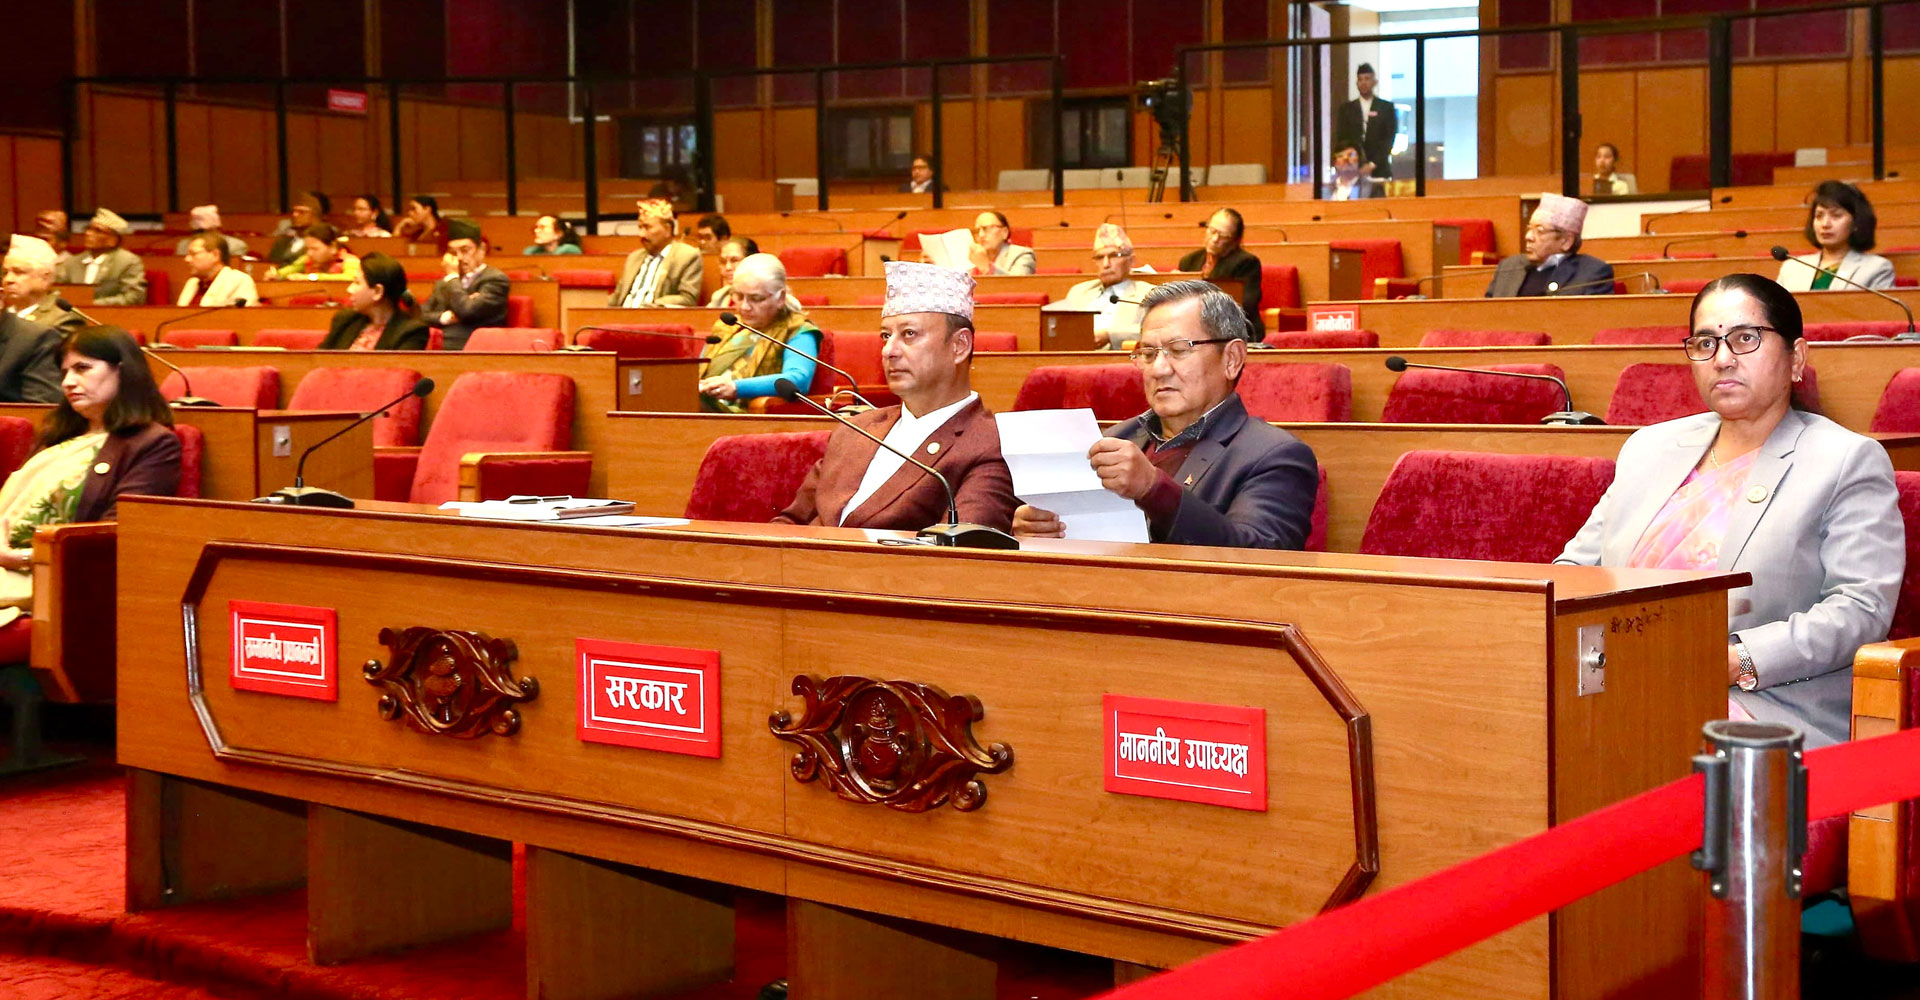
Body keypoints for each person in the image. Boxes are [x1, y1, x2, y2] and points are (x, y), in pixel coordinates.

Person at [1556, 274, 1902, 748]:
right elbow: (1574, 572)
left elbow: (1861, 608)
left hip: (1762, 703)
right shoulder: (1649, 447)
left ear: (1796, 358)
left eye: (1745, 338)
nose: (1722, 358)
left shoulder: (1844, 460)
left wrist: (1734, 660)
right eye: (1705, 343)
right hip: (1613, 677)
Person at [1013, 280, 1317, 549]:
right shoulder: (1112, 440)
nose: (1158, 369)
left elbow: (1262, 559)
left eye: (1179, 350)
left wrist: (1153, 489)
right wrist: (1036, 533)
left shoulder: (1274, 456)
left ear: (1232, 359)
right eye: (1148, 354)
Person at [776, 260, 1017, 531]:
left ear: (959, 346)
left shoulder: (992, 444)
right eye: (885, 335)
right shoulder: (856, 429)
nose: (888, 350)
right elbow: (789, 525)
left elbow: (958, 548)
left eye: (909, 334)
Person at [0, 325, 179, 617]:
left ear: (123, 370)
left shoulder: (152, 444)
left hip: (57, 581)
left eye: (82, 368)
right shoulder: (57, 436)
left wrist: (23, 557)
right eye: (64, 372)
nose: (68, 382)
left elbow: (118, 536)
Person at [697, 254, 819, 414]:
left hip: (746, 418)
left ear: (780, 297)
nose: (745, 307)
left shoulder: (797, 330)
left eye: (756, 299)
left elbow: (797, 380)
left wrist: (736, 387)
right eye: (739, 296)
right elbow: (698, 372)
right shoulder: (727, 326)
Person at [1485, 193, 1614, 297]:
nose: (1528, 237)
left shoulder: (1592, 273)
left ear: (1566, 241)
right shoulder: (1509, 266)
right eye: (1529, 229)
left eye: (1539, 231)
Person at [1775, 180, 1895, 292]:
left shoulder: (1876, 268)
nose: (1825, 224)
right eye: (1819, 216)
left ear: (1856, 223)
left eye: (1836, 215)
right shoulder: (1791, 267)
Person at [1055, 224, 1151, 349]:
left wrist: (1110, 335)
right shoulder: (1079, 291)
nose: (1106, 264)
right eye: (1100, 257)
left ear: (1131, 261)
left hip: (1118, 357)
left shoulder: (1147, 293)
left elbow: (1154, 331)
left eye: (1114, 256)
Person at [1177, 208, 1263, 341]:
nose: (1215, 239)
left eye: (1223, 236)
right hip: (1193, 332)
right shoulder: (1189, 261)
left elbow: (1246, 304)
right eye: (1212, 231)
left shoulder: (1246, 262)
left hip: (1234, 333)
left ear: (1235, 240)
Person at [423, 219, 509, 350]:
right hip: (437, 344)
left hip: (473, 347)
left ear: (481, 249)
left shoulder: (495, 279)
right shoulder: (444, 283)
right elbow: (421, 315)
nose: (459, 258)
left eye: (465, 250)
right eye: (453, 252)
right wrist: (444, 317)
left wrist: (453, 277)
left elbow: (467, 311)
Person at [320, 253, 432, 351]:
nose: (349, 289)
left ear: (378, 291)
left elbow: (398, 369)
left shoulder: (411, 332)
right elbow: (318, 360)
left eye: (357, 283)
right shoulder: (345, 319)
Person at [611, 199, 703, 307]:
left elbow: (688, 298)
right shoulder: (634, 258)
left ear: (667, 229)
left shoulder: (686, 256)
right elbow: (616, 298)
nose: (641, 234)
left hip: (656, 315)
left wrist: (651, 306)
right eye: (640, 227)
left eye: (647, 227)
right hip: (622, 315)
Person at [53, 209, 146, 306]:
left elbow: (134, 297)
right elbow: (55, 292)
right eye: (88, 229)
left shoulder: (128, 261)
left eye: (98, 231)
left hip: (110, 313)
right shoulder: (72, 262)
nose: (88, 233)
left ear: (113, 239)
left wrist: (91, 304)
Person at [3, 237, 84, 339]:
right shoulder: (4, 312)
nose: (8, 279)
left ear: (44, 277)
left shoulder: (63, 319)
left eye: (19, 272)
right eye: (5, 273)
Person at [1334, 62, 1396, 180]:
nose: (1363, 83)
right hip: (1352, 170)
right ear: (1356, 83)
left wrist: (1372, 164)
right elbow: (1342, 139)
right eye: (1360, 79)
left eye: (1367, 79)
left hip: (1380, 169)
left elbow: (1388, 140)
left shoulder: (1386, 108)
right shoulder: (1346, 109)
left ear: (1375, 82)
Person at [175, 232, 259, 308]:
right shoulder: (192, 283)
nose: (187, 259)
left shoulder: (238, 281)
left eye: (193, 254)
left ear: (215, 255)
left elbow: (241, 317)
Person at [271, 223, 361, 281]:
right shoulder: (306, 259)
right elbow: (287, 271)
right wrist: (275, 274)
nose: (309, 253)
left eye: (315, 249)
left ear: (333, 247)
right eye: (307, 249)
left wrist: (312, 277)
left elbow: (350, 277)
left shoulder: (350, 261)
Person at [968, 212, 1036, 276]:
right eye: (976, 231)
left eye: (987, 229)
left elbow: (1018, 283)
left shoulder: (1022, 254)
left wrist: (987, 268)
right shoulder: (973, 258)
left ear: (1005, 232)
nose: (981, 235)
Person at [268, 192, 327, 266]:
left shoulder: (323, 243)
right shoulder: (282, 242)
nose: (294, 215)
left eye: (301, 212)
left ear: (315, 216)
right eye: (293, 211)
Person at [172, 205, 247, 258]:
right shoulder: (183, 246)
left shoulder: (235, 246)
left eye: (204, 231)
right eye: (198, 231)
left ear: (216, 229)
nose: (200, 236)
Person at [706, 236, 761, 308]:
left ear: (751, 261)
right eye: (723, 261)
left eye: (735, 260)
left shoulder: (763, 297)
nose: (728, 267)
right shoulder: (720, 296)